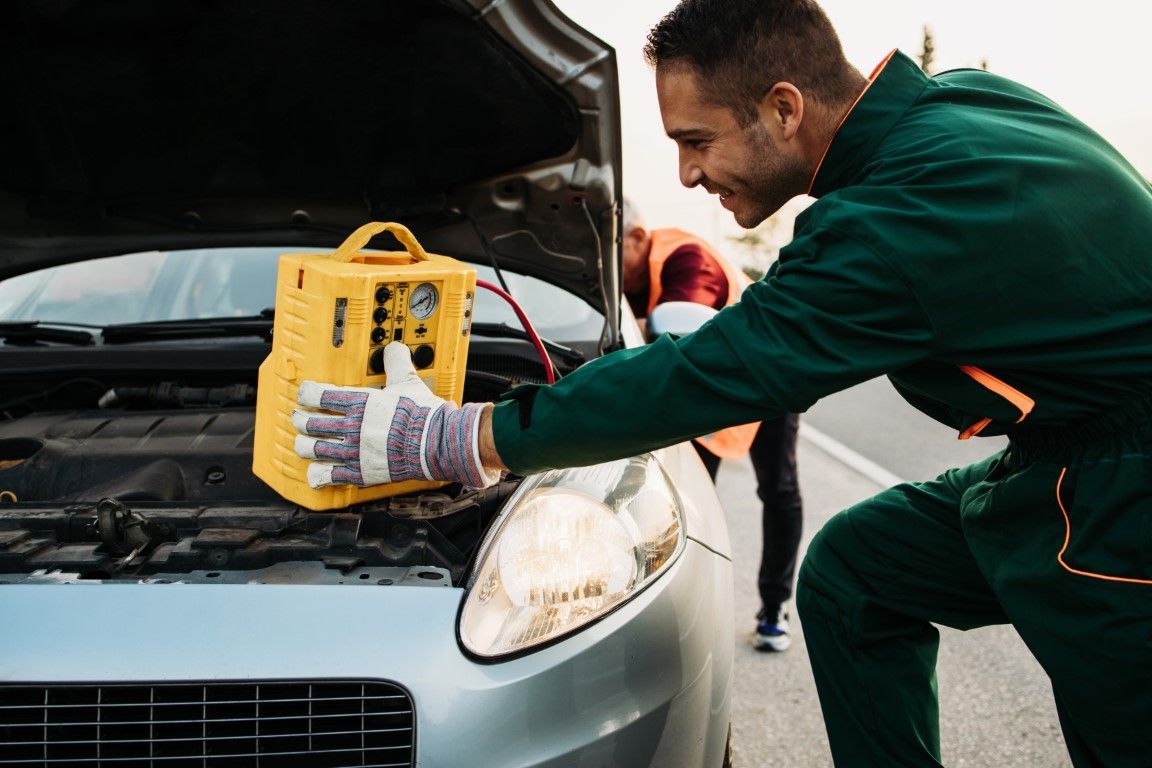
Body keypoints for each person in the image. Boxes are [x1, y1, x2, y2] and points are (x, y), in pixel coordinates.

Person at [291, 0, 1152, 764]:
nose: (687, 177)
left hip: (1124, 494)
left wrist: (464, 435)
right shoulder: (959, 107)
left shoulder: (900, 218)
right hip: (1066, 450)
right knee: (859, 570)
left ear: (783, 108)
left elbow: (711, 371)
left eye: (695, 141)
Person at [621, 195, 803, 652]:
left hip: (770, 370)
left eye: (611, 248)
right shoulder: (624, 278)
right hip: (711, 381)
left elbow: (684, 335)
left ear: (638, 238)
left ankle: (775, 606)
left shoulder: (687, 259)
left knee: (777, 488)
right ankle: (683, 612)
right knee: (689, 498)